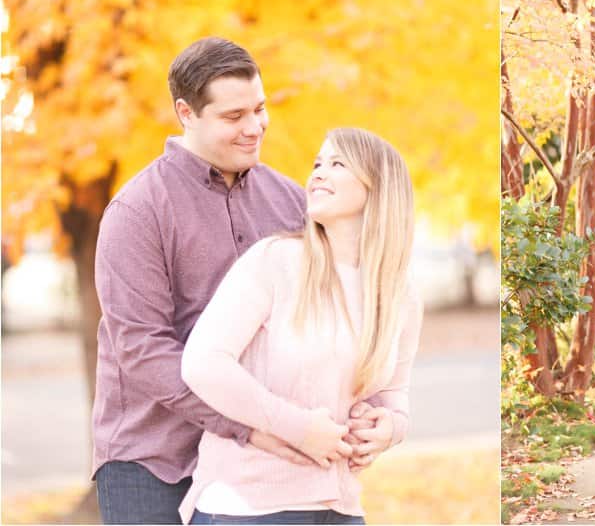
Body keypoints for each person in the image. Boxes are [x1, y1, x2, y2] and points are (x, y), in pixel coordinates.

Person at [91, 38, 380, 524]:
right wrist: (250, 426)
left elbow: (328, 317)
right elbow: (143, 349)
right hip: (154, 457)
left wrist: (372, 413)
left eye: (259, 109)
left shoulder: (292, 202)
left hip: (255, 465)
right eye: (233, 117)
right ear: (186, 113)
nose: (253, 128)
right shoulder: (137, 212)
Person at [178, 127, 423, 524]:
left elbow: (394, 393)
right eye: (317, 163)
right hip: (249, 505)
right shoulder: (275, 261)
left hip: (338, 506)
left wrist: (389, 428)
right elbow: (202, 363)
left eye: (337, 163)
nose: (319, 173)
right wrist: (296, 427)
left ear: (379, 187)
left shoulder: (399, 293)